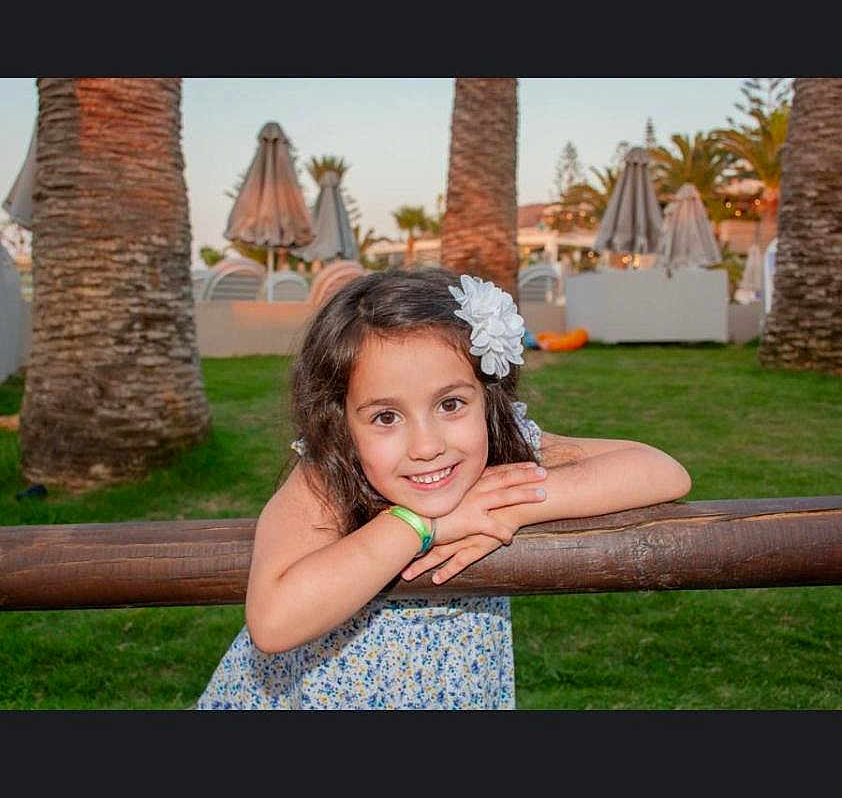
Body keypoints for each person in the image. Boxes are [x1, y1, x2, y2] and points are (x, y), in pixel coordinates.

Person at [196, 268, 691, 710]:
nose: (427, 445)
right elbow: (273, 621)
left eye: (451, 405)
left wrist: (508, 506)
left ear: (486, 397)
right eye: (386, 417)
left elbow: (663, 470)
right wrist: (422, 524)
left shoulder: (502, 451)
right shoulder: (326, 477)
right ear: (341, 420)